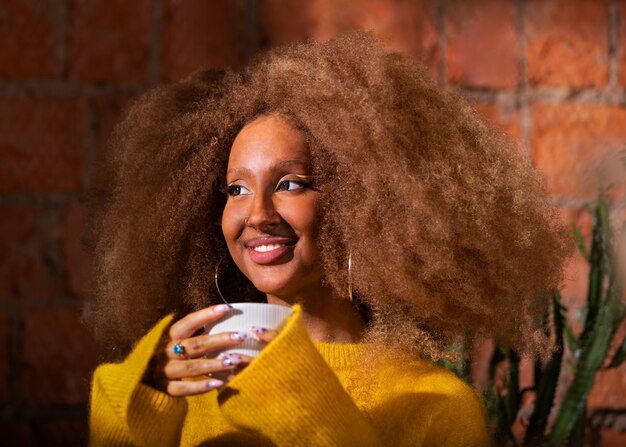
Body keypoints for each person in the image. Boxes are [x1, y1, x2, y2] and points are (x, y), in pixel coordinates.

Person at [86, 32, 569, 446]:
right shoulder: (182, 386)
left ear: (362, 207)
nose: (256, 215)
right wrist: (143, 396)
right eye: (236, 189)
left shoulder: (434, 406)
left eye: (290, 184)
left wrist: (294, 389)